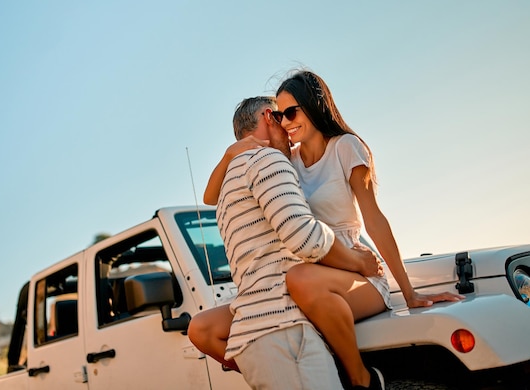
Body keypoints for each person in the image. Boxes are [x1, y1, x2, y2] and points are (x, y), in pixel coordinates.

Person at [191, 70, 465, 389]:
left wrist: (409, 293)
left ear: (313, 106)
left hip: (355, 273)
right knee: (202, 328)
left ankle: (360, 379)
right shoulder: (283, 159)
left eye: (291, 113)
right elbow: (211, 197)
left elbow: (375, 220)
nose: (286, 122)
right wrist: (231, 153)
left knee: (301, 279)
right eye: (280, 115)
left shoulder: (345, 147)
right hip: (307, 276)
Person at [203, 96, 381, 390]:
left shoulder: (227, 186)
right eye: (282, 116)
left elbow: (208, 198)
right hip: (284, 327)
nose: (289, 126)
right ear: (268, 116)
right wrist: (358, 261)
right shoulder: (269, 160)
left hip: (250, 334)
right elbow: (305, 238)